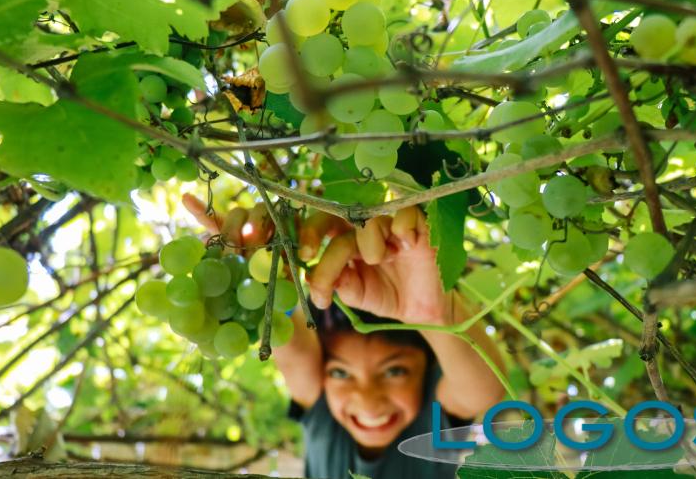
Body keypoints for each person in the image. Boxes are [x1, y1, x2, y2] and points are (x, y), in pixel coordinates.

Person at [184, 195, 507, 479]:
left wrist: (432, 315)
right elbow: (292, 347)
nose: (367, 400)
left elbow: (483, 391)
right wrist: (261, 278)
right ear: (321, 375)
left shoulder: (430, 423)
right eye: (340, 372)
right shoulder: (323, 412)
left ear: (429, 371)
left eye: (395, 370)